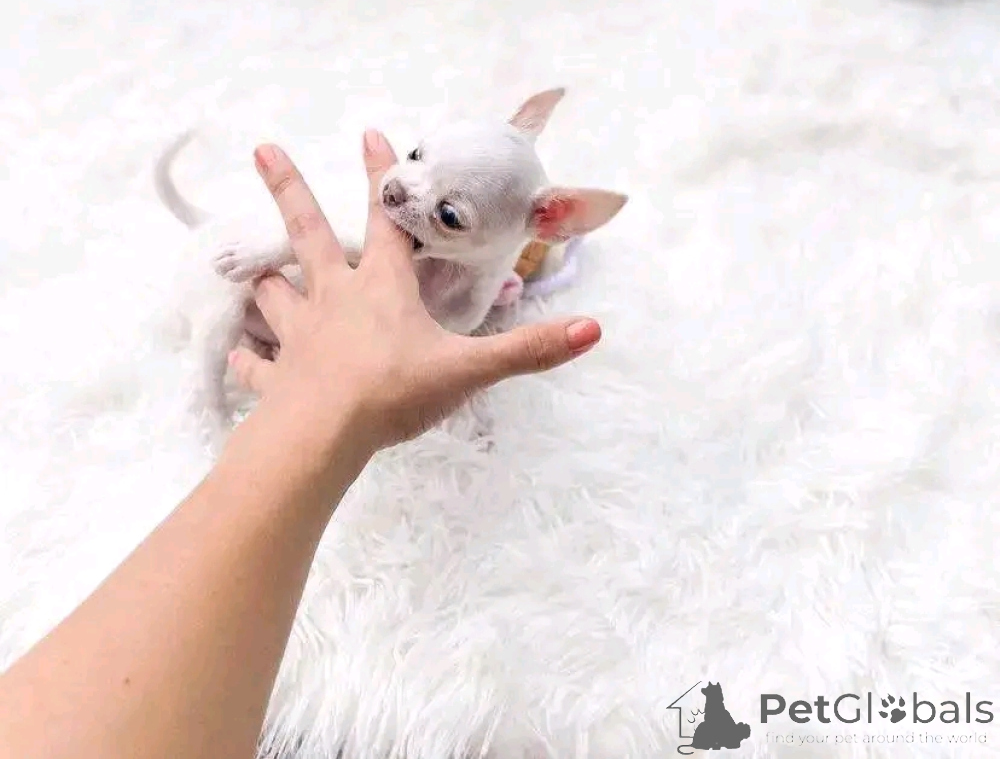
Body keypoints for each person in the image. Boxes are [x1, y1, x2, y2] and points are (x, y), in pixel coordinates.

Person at [0, 130, 603, 759]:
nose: (400, 189)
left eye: (449, 214)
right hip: (252, 308)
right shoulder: (410, 236)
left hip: (313, 348)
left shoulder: (490, 264)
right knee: (221, 309)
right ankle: (202, 397)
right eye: (416, 156)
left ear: (548, 224)